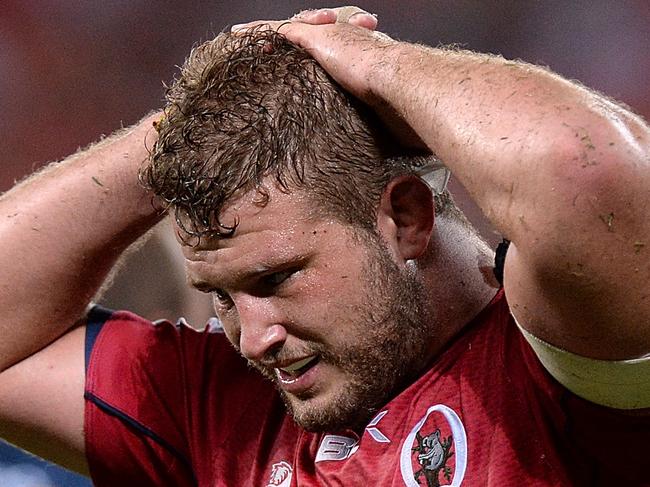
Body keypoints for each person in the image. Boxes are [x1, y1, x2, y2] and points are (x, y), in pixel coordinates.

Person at [0, 6, 648, 486]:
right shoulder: (216, 407)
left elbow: (583, 167)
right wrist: (188, 129)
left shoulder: (560, 364)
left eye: (276, 279)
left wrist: (373, 64)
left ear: (406, 215)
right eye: (222, 296)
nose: (253, 339)